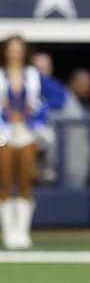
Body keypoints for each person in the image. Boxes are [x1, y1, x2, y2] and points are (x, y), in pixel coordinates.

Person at [0, 36, 47, 249]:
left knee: (26, 181)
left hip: (26, 132)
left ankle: (22, 232)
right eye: (11, 49)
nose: (15, 53)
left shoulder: (33, 75)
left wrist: (32, 115)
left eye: (19, 50)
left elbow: (55, 98)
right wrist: (5, 115)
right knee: (5, 181)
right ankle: (9, 232)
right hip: (4, 132)